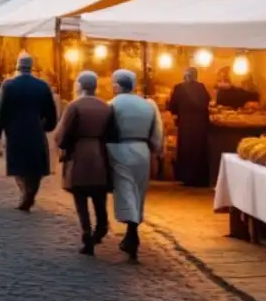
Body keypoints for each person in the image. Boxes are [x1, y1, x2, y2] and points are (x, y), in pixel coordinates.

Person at [107, 69, 163, 261]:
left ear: (117, 85)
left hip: (120, 149)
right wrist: (155, 150)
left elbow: (106, 130)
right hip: (142, 150)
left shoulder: (112, 105)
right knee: (138, 193)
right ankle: (132, 231)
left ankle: (131, 235)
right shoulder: (148, 105)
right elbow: (157, 133)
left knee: (125, 191)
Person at [55, 71, 113, 255]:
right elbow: (111, 134)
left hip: (79, 154)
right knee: (99, 196)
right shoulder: (106, 107)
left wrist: (63, 147)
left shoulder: (74, 106)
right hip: (99, 154)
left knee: (80, 199)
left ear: (80, 85)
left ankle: (86, 234)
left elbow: (62, 134)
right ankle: (102, 226)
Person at [0, 53, 58, 212]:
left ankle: (25, 192)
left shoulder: (8, 85)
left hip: (15, 130)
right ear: (32, 67)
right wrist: (47, 126)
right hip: (35, 128)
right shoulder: (42, 86)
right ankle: (30, 193)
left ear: (17, 66)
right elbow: (51, 113)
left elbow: (1, 111)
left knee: (19, 165)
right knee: (36, 166)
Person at [167, 66, 212, 187]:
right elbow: (208, 102)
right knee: (199, 150)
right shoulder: (202, 88)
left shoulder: (179, 88)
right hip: (201, 125)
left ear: (186, 75)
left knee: (186, 149)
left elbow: (172, 106)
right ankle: (199, 179)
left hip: (186, 123)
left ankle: (186, 178)